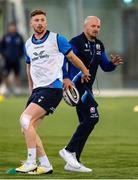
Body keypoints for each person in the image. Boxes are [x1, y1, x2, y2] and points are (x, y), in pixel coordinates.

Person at [15, 9, 90, 175]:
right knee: (26, 128)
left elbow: (72, 58)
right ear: (31, 23)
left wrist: (85, 70)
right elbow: (29, 67)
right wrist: (30, 89)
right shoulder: (28, 44)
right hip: (37, 90)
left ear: (46, 22)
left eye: (42, 20)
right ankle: (46, 164)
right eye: (36, 20)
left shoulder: (57, 39)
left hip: (53, 88)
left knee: (25, 119)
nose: (40, 23)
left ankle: (30, 162)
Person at [59, 16, 123, 172]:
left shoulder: (99, 45)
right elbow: (64, 60)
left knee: (86, 121)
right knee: (94, 117)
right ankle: (68, 150)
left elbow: (105, 66)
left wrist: (112, 65)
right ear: (85, 26)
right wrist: (66, 78)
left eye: (98, 26)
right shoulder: (76, 42)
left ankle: (74, 161)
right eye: (93, 26)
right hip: (76, 86)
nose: (96, 29)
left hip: (88, 88)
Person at [0, 22, 24, 95]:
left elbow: (22, 47)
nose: (12, 28)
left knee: (17, 75)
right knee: (5, 74)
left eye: (13, 27)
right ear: (9, 28)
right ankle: (6, 89)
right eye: (11, 27)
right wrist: (4, 55)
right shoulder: (6, 36)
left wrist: (19, 55)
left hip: (16, 60)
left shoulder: (19, 37)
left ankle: (18, 90)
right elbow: (1, 47)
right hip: (7, 60)